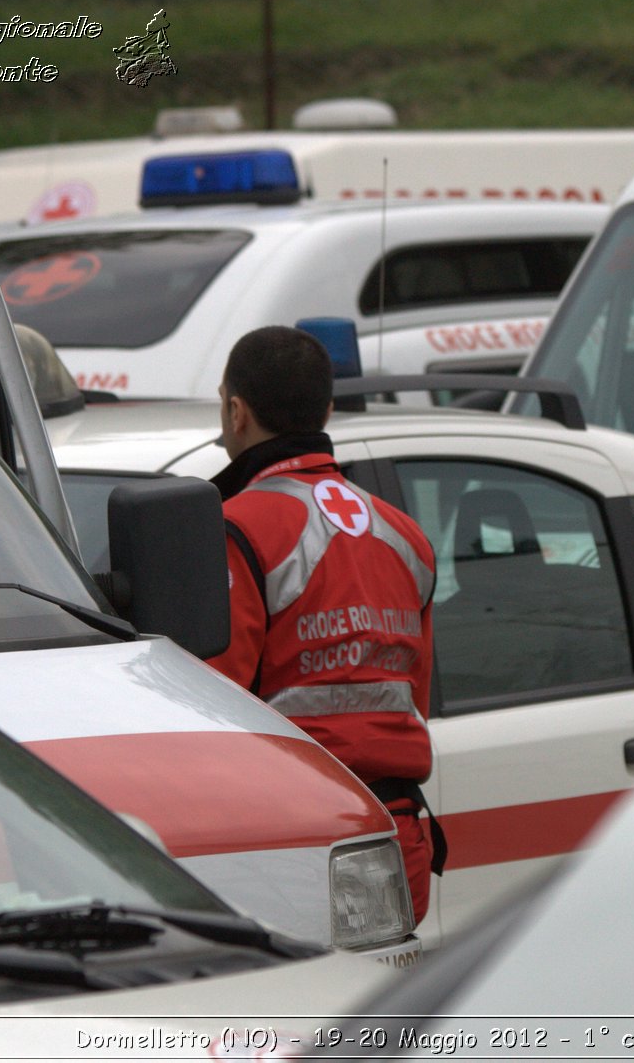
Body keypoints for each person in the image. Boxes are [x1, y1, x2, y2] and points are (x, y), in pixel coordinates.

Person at [204, 326, 444, 920]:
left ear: (237, 412)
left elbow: (211, 704)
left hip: (286, 841)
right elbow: (416, 694)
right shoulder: (404, 534)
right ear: (328, 408)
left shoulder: (234, 528)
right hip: (394, 835)